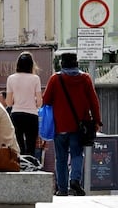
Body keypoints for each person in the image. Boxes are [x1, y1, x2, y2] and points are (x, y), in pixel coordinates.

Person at [42, 52, 102, 196]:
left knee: (61, 158)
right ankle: (75, 180)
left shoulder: (55, 79)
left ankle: (62, 189)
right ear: (76, 63)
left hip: (60, 126)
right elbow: (94, 102)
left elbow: (46, 101)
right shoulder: (85, 78)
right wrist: (97, 121)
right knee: (77, 154)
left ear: (62, 64)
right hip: (79, 126)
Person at [6, 52, 42, 157]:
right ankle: (30, 168)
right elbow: (39, 103)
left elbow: (8, 102)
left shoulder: (11, 78)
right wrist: (33, 101)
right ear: (31, 65)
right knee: (31, 147)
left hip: (16, 115)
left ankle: (19, 167)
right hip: (31, 115)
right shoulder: (35, 79)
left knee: (18, 146)